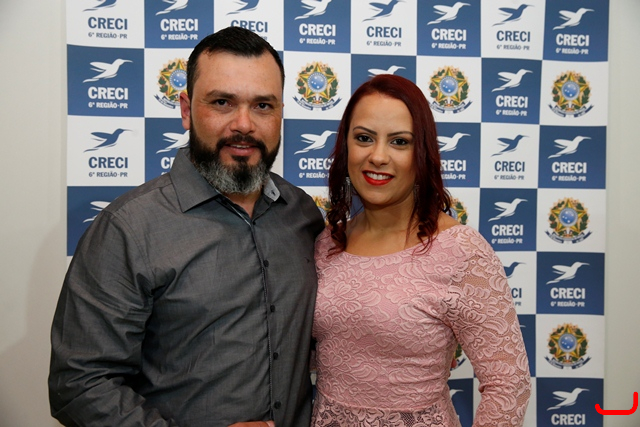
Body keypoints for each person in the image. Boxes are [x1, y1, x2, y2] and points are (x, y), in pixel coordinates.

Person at [49, 26, 325, 427]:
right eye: (222, 102)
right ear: (186, 109)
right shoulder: (128, 229)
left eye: (263, 105)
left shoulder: (301, 214)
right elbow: (79, 384)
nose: (244, 124)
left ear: (281, 113)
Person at [311, 74, 531, 426]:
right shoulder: (327, 244)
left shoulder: (461, 251)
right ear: (346, 146)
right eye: (364, 138)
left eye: (399, 142)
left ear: (422, 153)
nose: (377, 156)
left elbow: (509, 384)